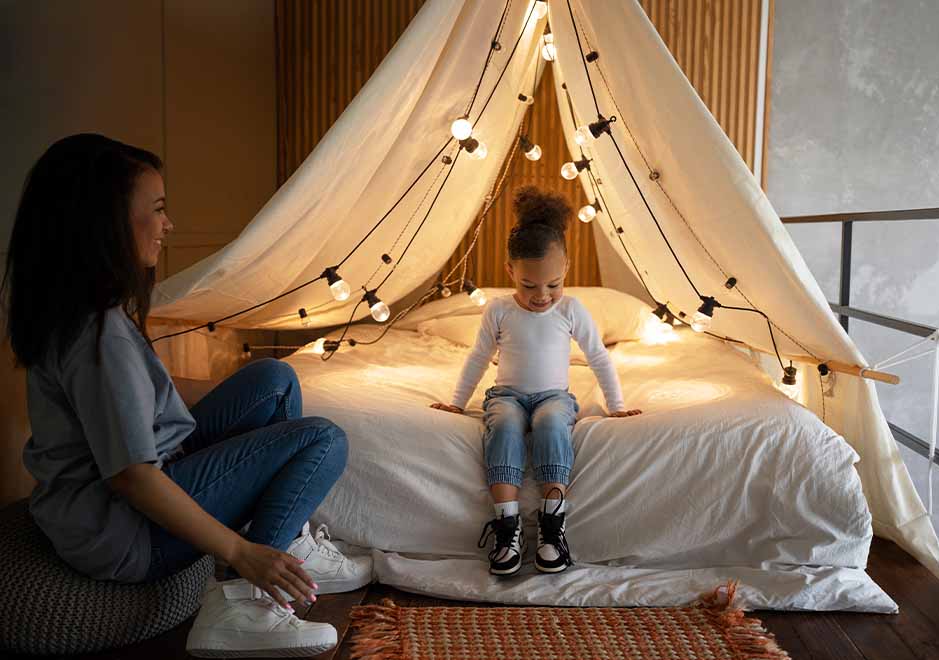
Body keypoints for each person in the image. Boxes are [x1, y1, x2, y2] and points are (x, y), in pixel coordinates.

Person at [2, 134, 371, 658]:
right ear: (105, 224)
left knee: (273, 380)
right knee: (323, 440)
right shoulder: (99, 337)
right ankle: (244, 599)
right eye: (157, 209)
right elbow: (132, 476)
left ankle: (285, 540)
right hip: (123, 532)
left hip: (112, 503)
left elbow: (147, 399)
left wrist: (243, 407)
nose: (169, 224)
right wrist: (240, 552)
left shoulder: (83, 313)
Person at [431, 186, 642, 577]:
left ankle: (552, 525)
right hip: (507, 395)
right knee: (505, 425)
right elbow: (478, 357)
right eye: (529, 285)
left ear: (566, 270)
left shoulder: (572, 309)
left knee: (549, 424)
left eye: (553, 284)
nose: (542, 296)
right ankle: (507, 526)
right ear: (511, 271)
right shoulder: (498, 310)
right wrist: (458, 403)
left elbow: (598, 356)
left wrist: (616, 406)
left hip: (554, 397)